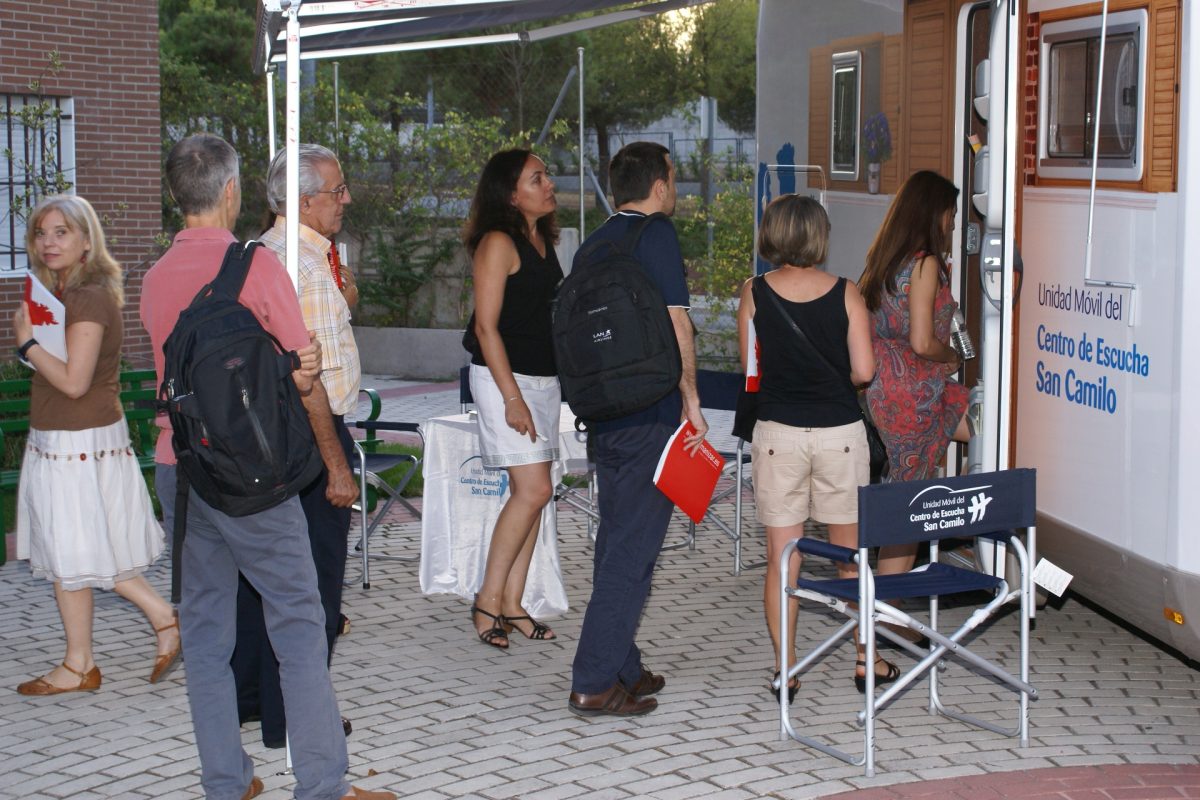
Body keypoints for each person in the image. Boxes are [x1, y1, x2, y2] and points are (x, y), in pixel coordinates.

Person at [141, 133, 393, 800]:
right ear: (231, 193)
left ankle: (227, 779)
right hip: (255, 481)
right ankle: (322, 783)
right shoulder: (255, 269)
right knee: (299, 622)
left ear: (175, 196)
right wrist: (305, 377)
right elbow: (300, 373)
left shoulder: (153, 278)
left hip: (184, 471)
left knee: (205, 632)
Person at [11, 195, 179, 696]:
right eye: (42, 232)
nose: (48, 241)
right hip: (68, 438)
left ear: (87, 240)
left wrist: (26, 344)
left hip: (76, 441)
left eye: (62, 232)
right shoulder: (64, 293)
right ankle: (81, 660)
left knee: (79, 549)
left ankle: (159, 622)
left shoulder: (86, 298)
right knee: (75, 551)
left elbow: (74, 381)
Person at [568, 141, 707, 718]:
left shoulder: (593, 244)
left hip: (605, 415)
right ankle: (595, 680)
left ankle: (623, 663)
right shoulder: (656, 235)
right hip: (649, 413)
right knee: (632, 550)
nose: (674, 188)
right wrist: (692, 400)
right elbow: (677, 322)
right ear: (660, 183)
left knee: (618, 540)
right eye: (673, 178)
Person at [232, 143, 360, 748]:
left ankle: (257, 702)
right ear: (302, 200)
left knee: (269, 581)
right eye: (337, 192)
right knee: (314, 588)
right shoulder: (298, 266)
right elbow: (305, 380)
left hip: (276, 440)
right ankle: (299, 719)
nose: (347, 200)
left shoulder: (280, 254)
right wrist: (336, 465)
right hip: (312, 437)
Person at [735, 194, 881, 699]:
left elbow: (751, 371)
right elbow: (864, 371)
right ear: (819, 236)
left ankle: (787, 669)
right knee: (850, 555)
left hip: (777, 434)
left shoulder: (754, 292)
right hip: (840, 433)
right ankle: (866, 659)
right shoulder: (846, 292)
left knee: (784, 558)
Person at [857, 169, 970, 632]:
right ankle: (887, 612)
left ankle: (886, 606)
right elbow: (923, 341)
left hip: (884, 390)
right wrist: (954, 357)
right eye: (951, 213)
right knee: (909, 504)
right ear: (934, 212)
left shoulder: (884, 260)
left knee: (907, 496)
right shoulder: (924, 265)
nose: (953, 223)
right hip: (914, 395)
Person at [463, 148, 563, 649]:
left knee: (535, 495)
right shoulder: (497, 243)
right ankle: (487, 599)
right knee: (533, 491)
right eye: (536, 178)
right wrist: (512, 398)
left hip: (543, 382)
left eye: (545, 176)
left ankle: (513, 602)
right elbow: (486, 327)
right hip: (505, 381)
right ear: (510, 194)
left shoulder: (540, 238)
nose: (549, 184)